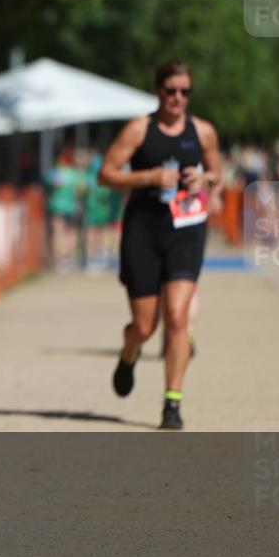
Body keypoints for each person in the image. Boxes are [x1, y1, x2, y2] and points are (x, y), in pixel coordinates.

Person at [97, 60, 222, 430]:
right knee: (145, 325)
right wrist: (149, 176)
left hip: (186, 230)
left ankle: (172, 404)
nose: (178, 98)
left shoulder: (203, 132)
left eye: (185, 92)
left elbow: (218, 173)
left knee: (179, 318)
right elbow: (105, 174)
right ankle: (129, 352)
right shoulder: (139, 130)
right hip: (143, 230)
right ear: (158, 90)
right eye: (171, 91)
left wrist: (206, 177)